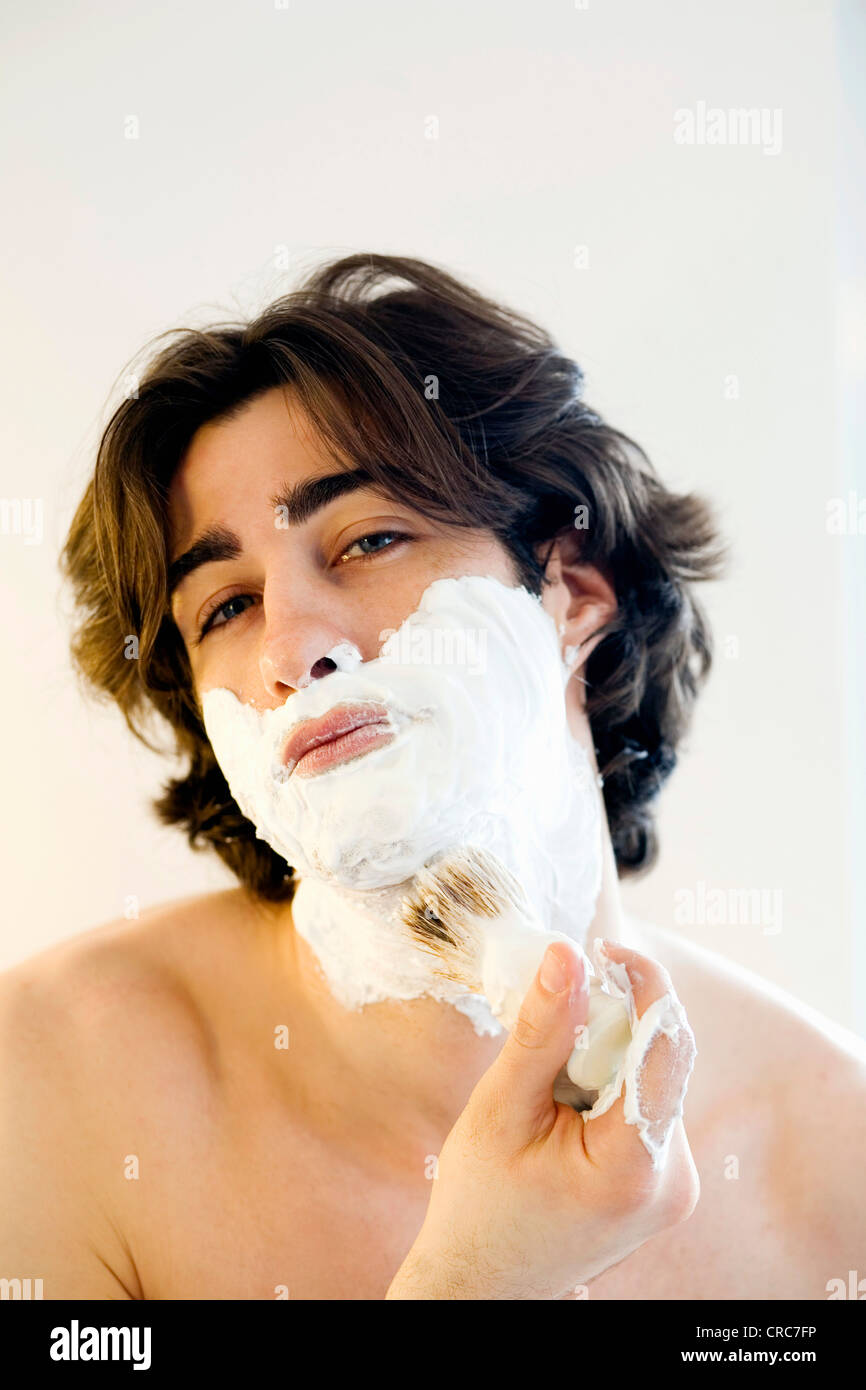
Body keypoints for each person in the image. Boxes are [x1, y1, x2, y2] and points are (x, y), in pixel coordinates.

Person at [1, 254, 863, 1300]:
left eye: (366, 539)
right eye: (224, 606)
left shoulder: (829, 1165)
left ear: (572, 592)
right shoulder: (51, 1088)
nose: (289, 649)